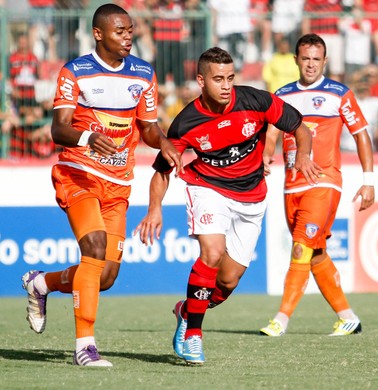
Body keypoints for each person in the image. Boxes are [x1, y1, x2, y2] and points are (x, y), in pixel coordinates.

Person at [133, 47, 320, 365]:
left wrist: (303, 154)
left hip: (252, 197)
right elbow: (163, 170)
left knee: (227, 281)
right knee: (212, 253)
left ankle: (185, 310)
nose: (226, 85)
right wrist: (154, 208)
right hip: (208, 189)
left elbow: (299, 126)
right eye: (218, 79)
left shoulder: (256, 101)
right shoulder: (186, 122)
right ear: (201, 80)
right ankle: (194, 335)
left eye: (230, 78)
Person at [20, 3, 179, 367]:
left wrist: (165, 141)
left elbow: (148, 127)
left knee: (105, 276)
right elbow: (58, 128)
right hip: (78, 175)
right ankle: (85, 347)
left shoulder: (143, 72)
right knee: (93, 248)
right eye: (120, 31)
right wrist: (88, 137)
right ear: (98, 33)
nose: (128, 37)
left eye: (130, 30)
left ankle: (41, 283)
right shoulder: (74, 72)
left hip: (118, 185)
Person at [259, 33, 375, 338]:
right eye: (305, 59)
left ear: (325, 61)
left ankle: (280, 320)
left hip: (324, 182)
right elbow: (272, 131)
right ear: (296, 60)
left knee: (300, 248)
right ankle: (347, 317)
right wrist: (266, 157)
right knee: (316, 252)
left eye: (316, 59)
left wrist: (368, 181)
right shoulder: (282, 95)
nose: (311, 65)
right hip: (291, 187)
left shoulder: (339, 94)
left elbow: (361, 133)